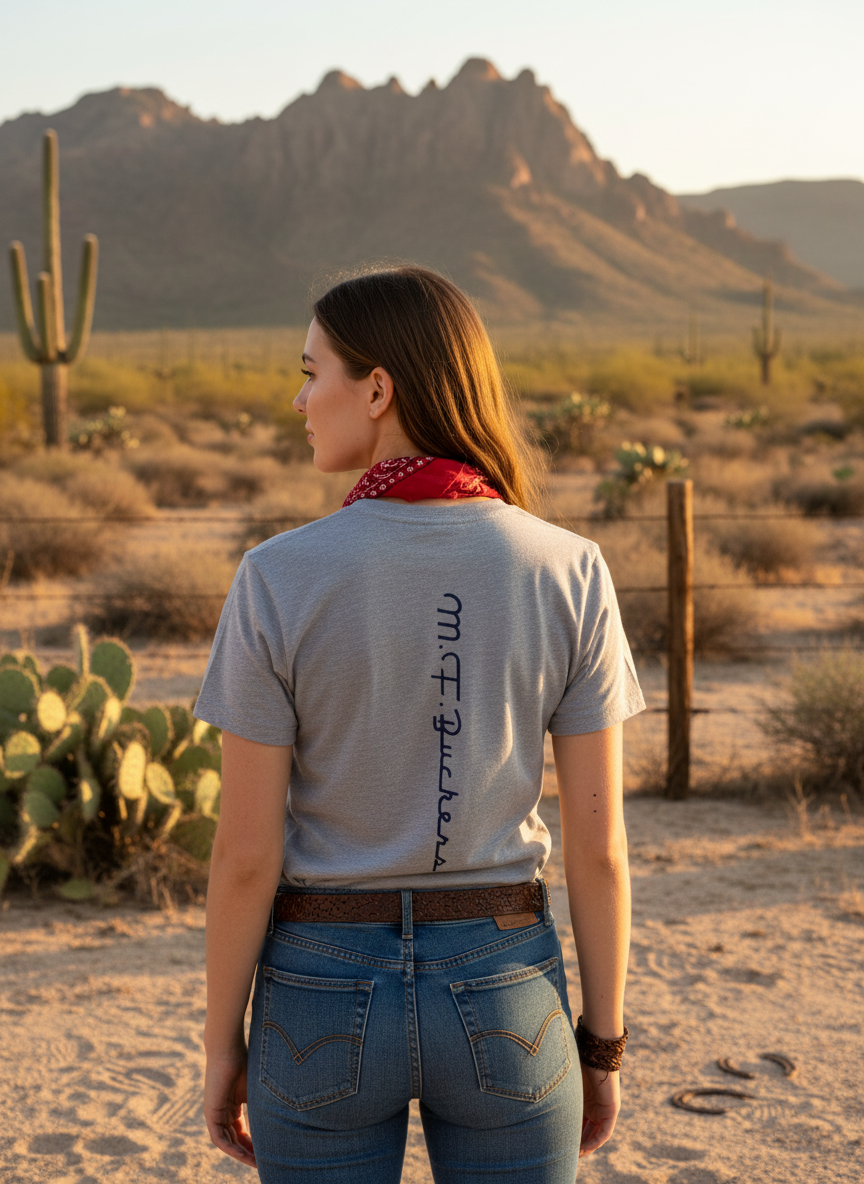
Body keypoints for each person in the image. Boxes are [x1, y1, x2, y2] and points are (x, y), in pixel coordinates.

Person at [194, 266, 644, 1183]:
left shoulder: (279, 577)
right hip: (506, 983)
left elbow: (245, 855)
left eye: (311, 371)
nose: (299, 398)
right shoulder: (569, 569)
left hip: (317, 986)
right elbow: (600, 850)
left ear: (377, 388)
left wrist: (220, 1046)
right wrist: (600, 1047)